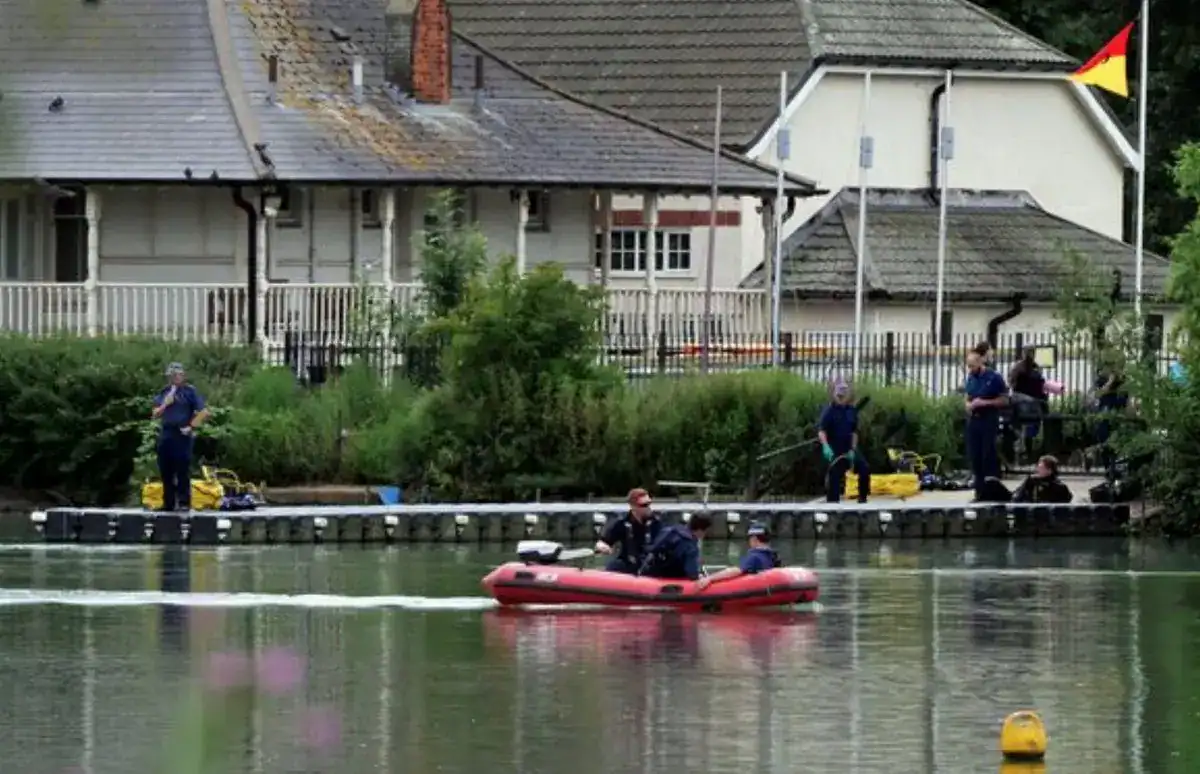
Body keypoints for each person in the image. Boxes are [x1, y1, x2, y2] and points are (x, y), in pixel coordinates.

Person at [151, 362, 209, 512]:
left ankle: (184, 502)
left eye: (178, 374)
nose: (176, 377)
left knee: (182, 469)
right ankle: (168, 503)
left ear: (183, 376)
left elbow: (204, 412)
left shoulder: (189, 391)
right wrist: (165, 404)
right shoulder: (164, 392)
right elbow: (155, 414)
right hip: (166, 433)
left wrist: (191, 426)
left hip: (182, 434)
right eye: (172, 375)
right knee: (166, 469)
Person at [964, 351, 1008, 501]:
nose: (970, 369)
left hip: (988, 418)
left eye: (972, 366)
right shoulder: (971, 377)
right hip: (974, 419)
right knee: (974, 456)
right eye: (968, 366)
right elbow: (968, 396)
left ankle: (990, 491)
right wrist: (968, 404)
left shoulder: (993, 377)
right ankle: (979, 492)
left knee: (987, 455)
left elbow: (1004, 400)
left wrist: (984, 402)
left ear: (980, 363)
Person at [819, 382, 869, 503]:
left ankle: (863, 499)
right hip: (834, 451)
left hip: (849, 449)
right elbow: (822, 431)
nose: (841, 398)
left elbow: (854, 432)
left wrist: (853, 449)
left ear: (847, 396)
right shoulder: (829, 411)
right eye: (839, 395)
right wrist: (825, 446)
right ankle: (832, 504)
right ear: (835, 395)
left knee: (864, 468)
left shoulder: (851, 411)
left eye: (843, 395)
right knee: (834, 477)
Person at [695, 521, 781, 590]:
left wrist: (709, 578)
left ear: (754, 539)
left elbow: (736, 570)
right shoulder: (773, 555)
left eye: (749, 539)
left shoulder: (755, 557)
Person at [595, 487, 663, 574]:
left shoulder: (656, 522)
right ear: (633, 506)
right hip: (628, 563)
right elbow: (603, 541)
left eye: (649, 504)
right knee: (613, 565)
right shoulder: (622, 522)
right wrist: (603, 546)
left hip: (650, 565)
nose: (648, 508)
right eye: (644, 505)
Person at [638, 513, 712, 581]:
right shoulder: (690, 546)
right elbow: (692, 574)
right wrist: (700, 576)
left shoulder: (672, 530)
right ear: (700, 530)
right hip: (670, 579)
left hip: (652, 571)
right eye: (706, 532)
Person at [1008, 347, 1048, 460]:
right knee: (1028, 424)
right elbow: (1012, 382)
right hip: (1027, 401)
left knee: (1028, 425)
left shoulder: (1028, 367)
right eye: (1029, 352)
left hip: (1027, 402)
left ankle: (1025, 449)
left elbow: (1012, 384)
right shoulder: (1024, 368)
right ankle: (1026, 450)